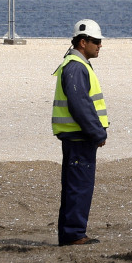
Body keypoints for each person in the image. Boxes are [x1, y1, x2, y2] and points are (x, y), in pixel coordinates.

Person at [52, 19, 109, 246]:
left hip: (77, 137)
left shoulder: (75, 65)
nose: (100, 46)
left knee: (75, 186)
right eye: (96, 41)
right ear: (83, 42)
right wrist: (97, 133)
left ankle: (70, 234)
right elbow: (80, 105)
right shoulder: (76, 67)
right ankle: (74, 235)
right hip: (79, 138)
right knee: (79, 187)